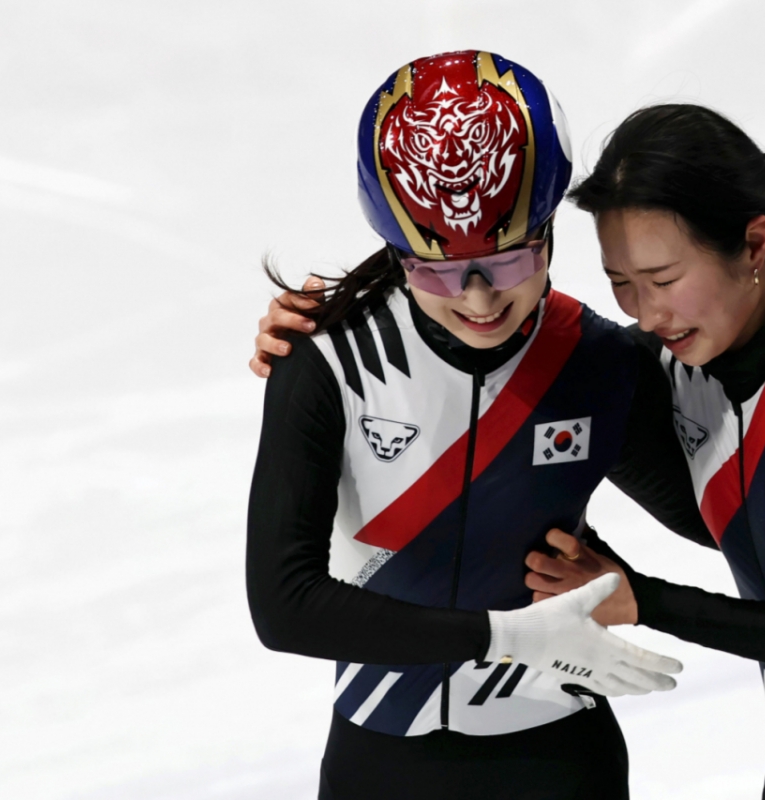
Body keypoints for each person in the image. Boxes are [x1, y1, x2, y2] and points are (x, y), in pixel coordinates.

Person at [253, 101, 765, 797]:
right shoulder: (652, 363)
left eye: (663, 276)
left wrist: (646, 595)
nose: (479, 298)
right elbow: (285, 602)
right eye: (624, 284)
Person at [247, 51, 701, 800]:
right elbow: (282, 606)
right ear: (396, 254)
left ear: (551, 232)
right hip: (380, 761)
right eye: (439, 272)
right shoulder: (329, 362)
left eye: (512, 260)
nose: (482, 300)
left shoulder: (599, 364)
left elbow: (731, 522)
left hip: (558, 758)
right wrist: (508, 636)